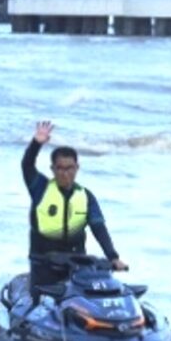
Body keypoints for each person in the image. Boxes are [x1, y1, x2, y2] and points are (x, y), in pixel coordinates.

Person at [21, 120, 127, 304]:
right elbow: (27, 166)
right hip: (43, 263)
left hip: (77, 263)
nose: (65, 173)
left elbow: (98, 227)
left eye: (69, 168)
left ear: (77, 168)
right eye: (60, 168)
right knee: (41, 304)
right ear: (53, 169)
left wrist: (114, 257)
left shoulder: (86, 196)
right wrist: (36, 143)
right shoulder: (39, 187)